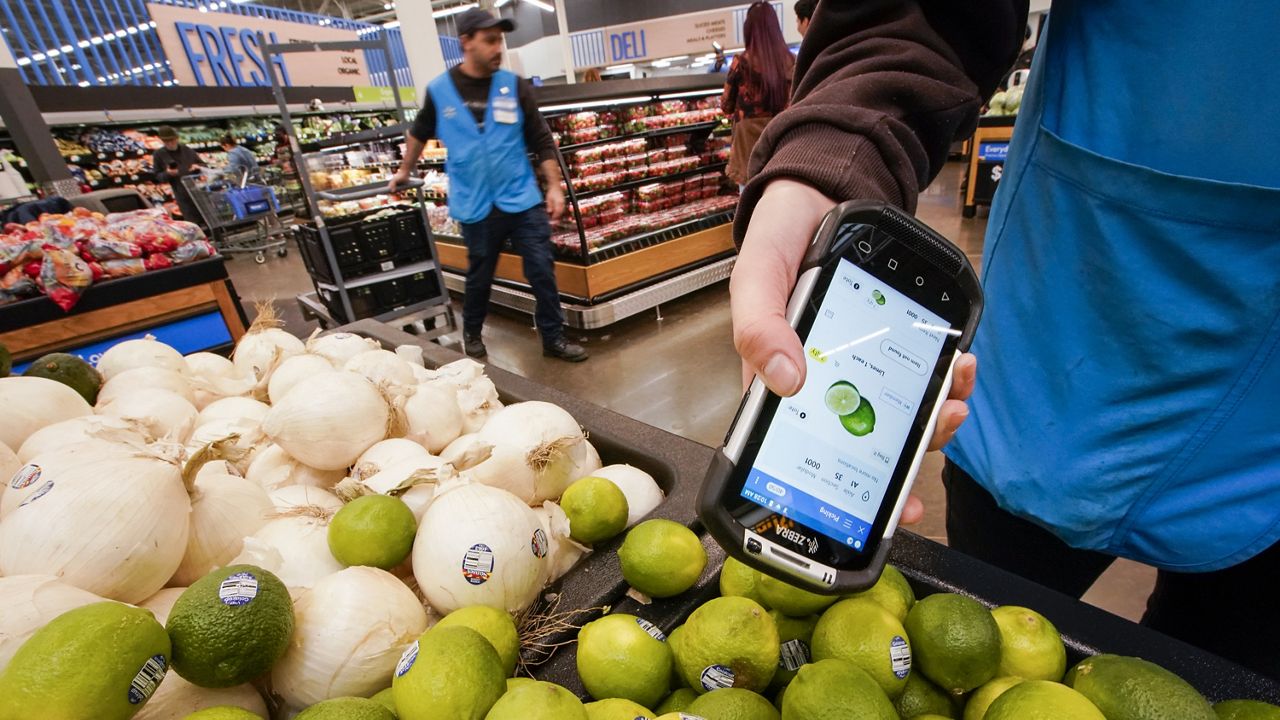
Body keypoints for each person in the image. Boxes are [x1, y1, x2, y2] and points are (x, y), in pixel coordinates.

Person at [730, 1, 1280, 678]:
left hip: (1266, 473)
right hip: (1053, 351)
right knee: (976, 637)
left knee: (1224, 682)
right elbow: (921, 17)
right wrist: (829, 167)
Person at [391, 9, 586, 363]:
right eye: (490, 40)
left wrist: (555, 187)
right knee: (480, 273)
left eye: (501, 39)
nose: (499, 48)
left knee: (541, 268)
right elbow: (419, 133)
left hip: (521, 197)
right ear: (466, 42)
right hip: (475, 202)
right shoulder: (439, 91)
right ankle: (472, 332)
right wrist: (405, 170)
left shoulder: (515, 86)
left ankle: (553, 337)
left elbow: (542, 140)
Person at [722, 2, 796, 187]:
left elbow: (726, 105)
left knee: (750, 207)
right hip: (781, 143)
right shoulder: (791, 62)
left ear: (748, 30)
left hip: (748, 149)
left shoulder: (741, 62)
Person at [152, 126, 204, 225]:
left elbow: (203, 165)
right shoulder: (159, 154)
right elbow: (158, 176)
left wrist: (198, 167)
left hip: (198, 189)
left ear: (177, 138)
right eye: (166, 141)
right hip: (181, 193)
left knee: (206, 217)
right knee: (193, 223)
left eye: (172, 140)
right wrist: (168, 174)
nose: (170, 143)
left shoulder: (187, 150)